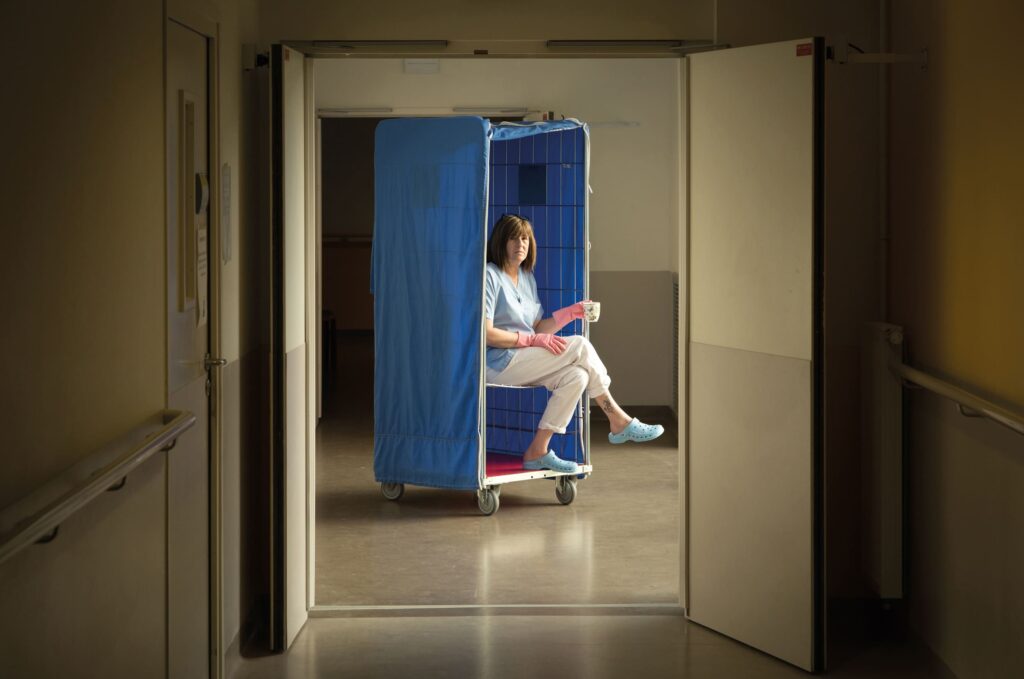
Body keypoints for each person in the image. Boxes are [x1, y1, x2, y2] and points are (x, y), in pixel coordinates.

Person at [484, 214, 664, 474]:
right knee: (579, 345)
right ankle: (618, 419)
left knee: (577, 376)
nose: (520, 244)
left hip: (523, 357)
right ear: (500, 241)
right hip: (497, 363)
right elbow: (486, 333)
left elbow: (537, 328)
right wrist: (531, 340)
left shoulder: (526, 278)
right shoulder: (490, 276)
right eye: (513, 238)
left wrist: (571, 312)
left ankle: (537, 451)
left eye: (524, 238)